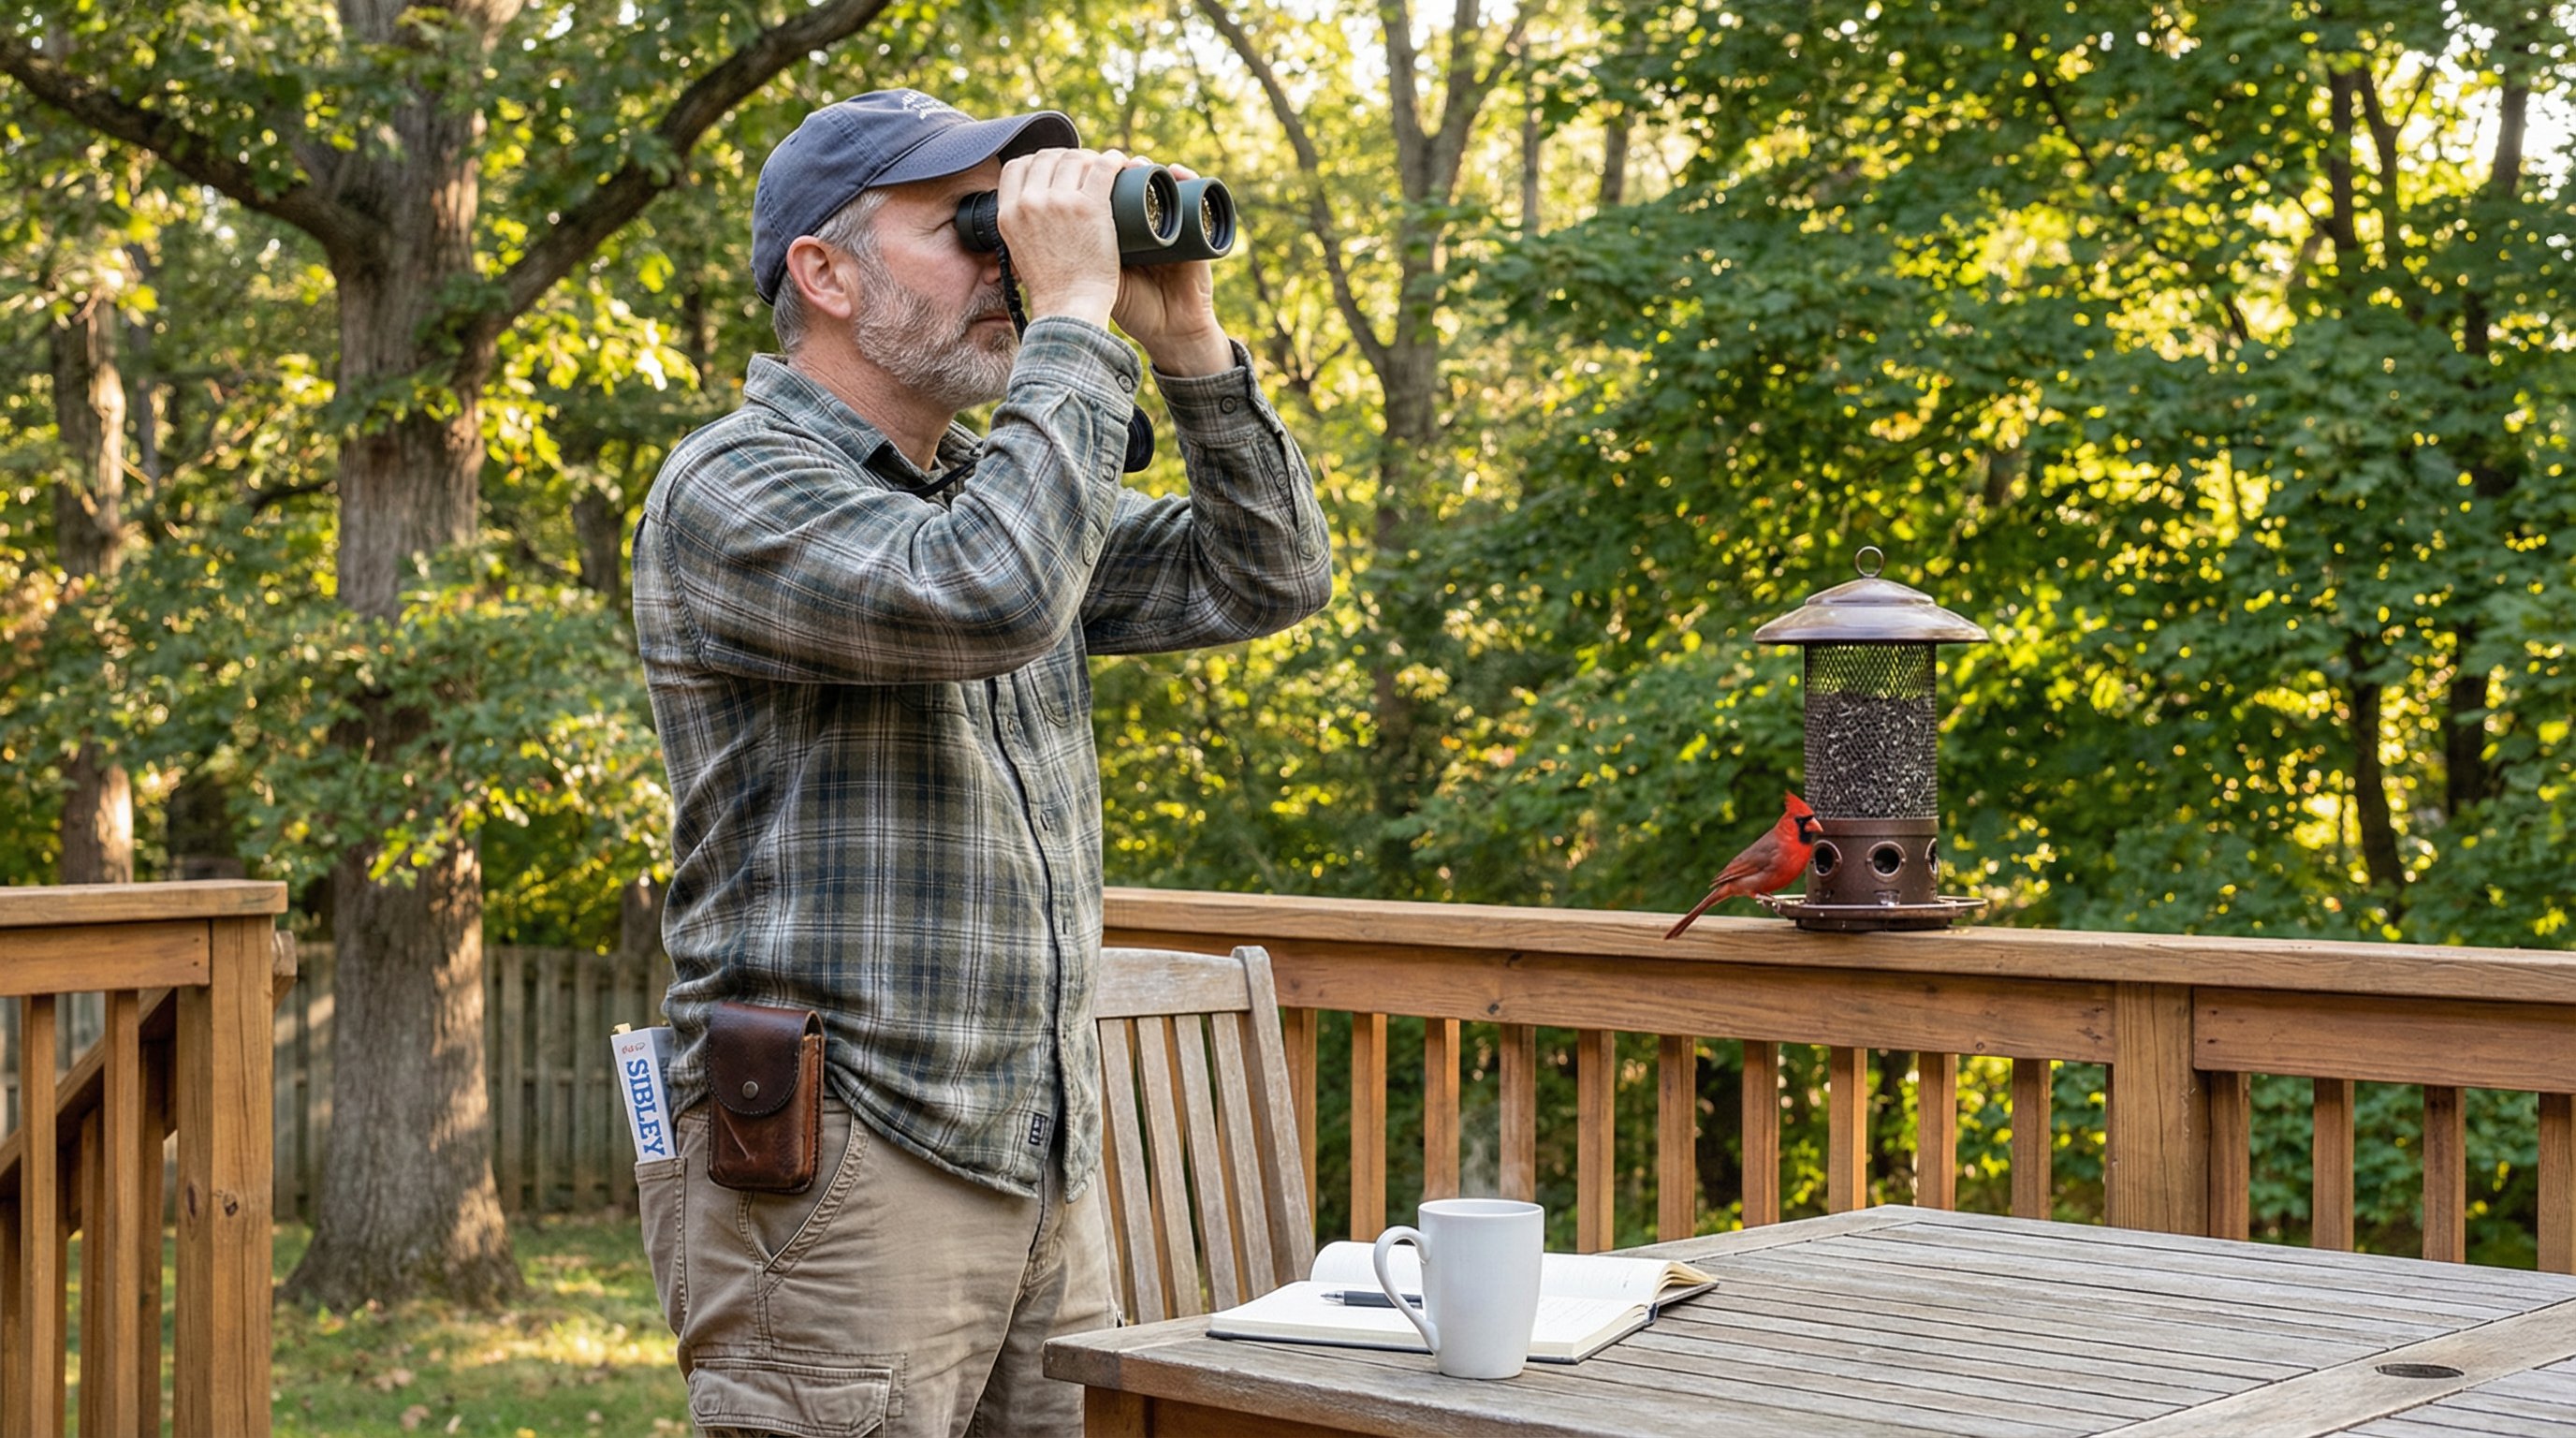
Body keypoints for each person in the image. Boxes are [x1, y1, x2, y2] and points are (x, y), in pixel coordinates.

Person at [629, 90, 1333, 1437]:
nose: (1011, 259)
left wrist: (1180, 338)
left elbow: (1268, 576)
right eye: (970, 225)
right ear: (826, 274)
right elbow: (986, 597)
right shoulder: (730, 486)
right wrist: (1073, 322)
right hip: (847, 1166)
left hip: (1039, 1154)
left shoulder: (990, 490)